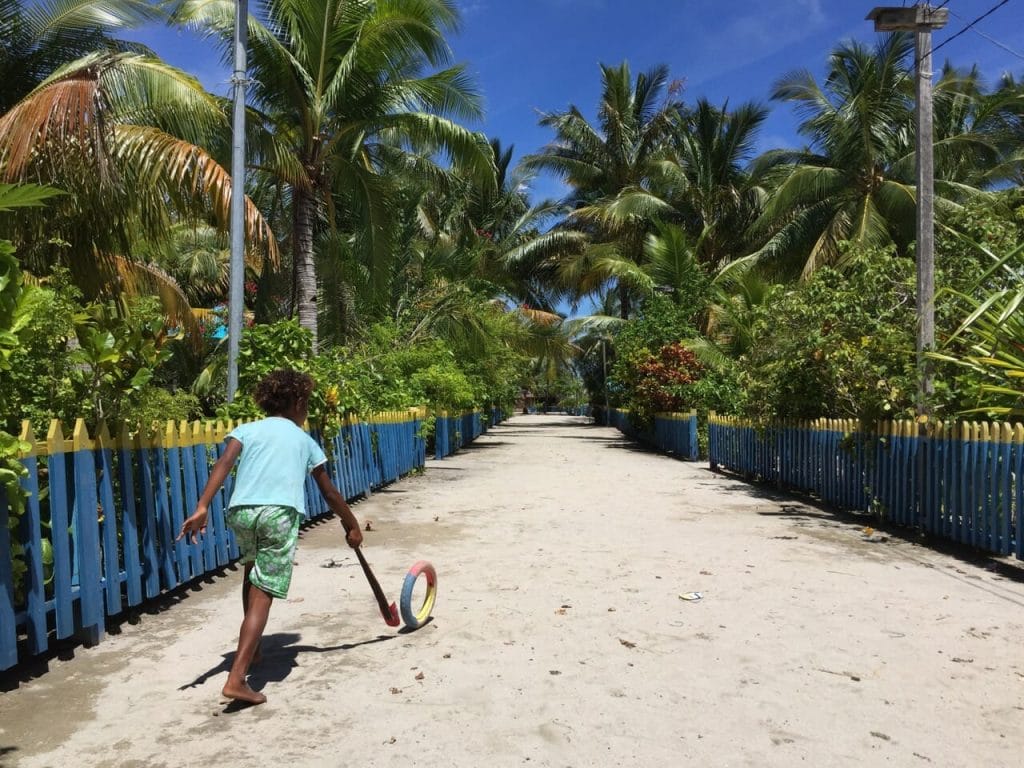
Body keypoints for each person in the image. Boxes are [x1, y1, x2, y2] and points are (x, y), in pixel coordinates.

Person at [177, 369, 363, 705]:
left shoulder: (247, 430)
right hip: (279, 513)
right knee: (264, 593)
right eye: (306, 404)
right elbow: (330, 492)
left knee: (252, 573)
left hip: (242, 512)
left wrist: (202, 505)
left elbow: (223, 463)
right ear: (298, 402)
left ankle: (256, 647)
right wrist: (351, 523)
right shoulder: (304, 440)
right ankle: (237, 678)